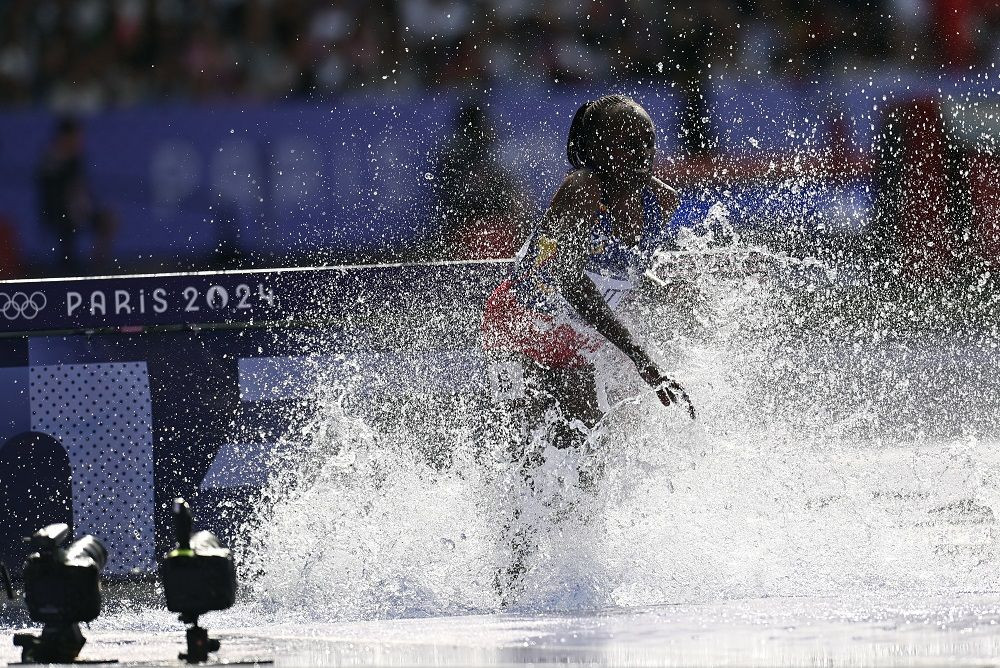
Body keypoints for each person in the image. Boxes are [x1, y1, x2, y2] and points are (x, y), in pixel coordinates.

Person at [481, 94, 695, 602]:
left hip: (575, 341)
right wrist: (642, 359)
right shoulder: (580, 191)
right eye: (628, 142)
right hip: (522, 326)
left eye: (647, 142)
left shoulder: (657, 200)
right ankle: (508, 579)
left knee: (586, 452)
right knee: (541, 451)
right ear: (595, 151)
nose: (642, 154)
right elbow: (567, 277)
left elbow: (633, 276)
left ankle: (571, 572)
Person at [36, 117, 116, 274]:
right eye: (76, 137)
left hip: (77, 210)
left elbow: (82, 190)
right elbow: (51, 198)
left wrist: (86, 207)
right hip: (58, 213)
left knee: (109, 220)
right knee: (67, 231)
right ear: (65, 137)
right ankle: (69, 270)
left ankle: (97, 269)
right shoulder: (51, 160)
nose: (80, 142)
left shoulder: (76, 159)